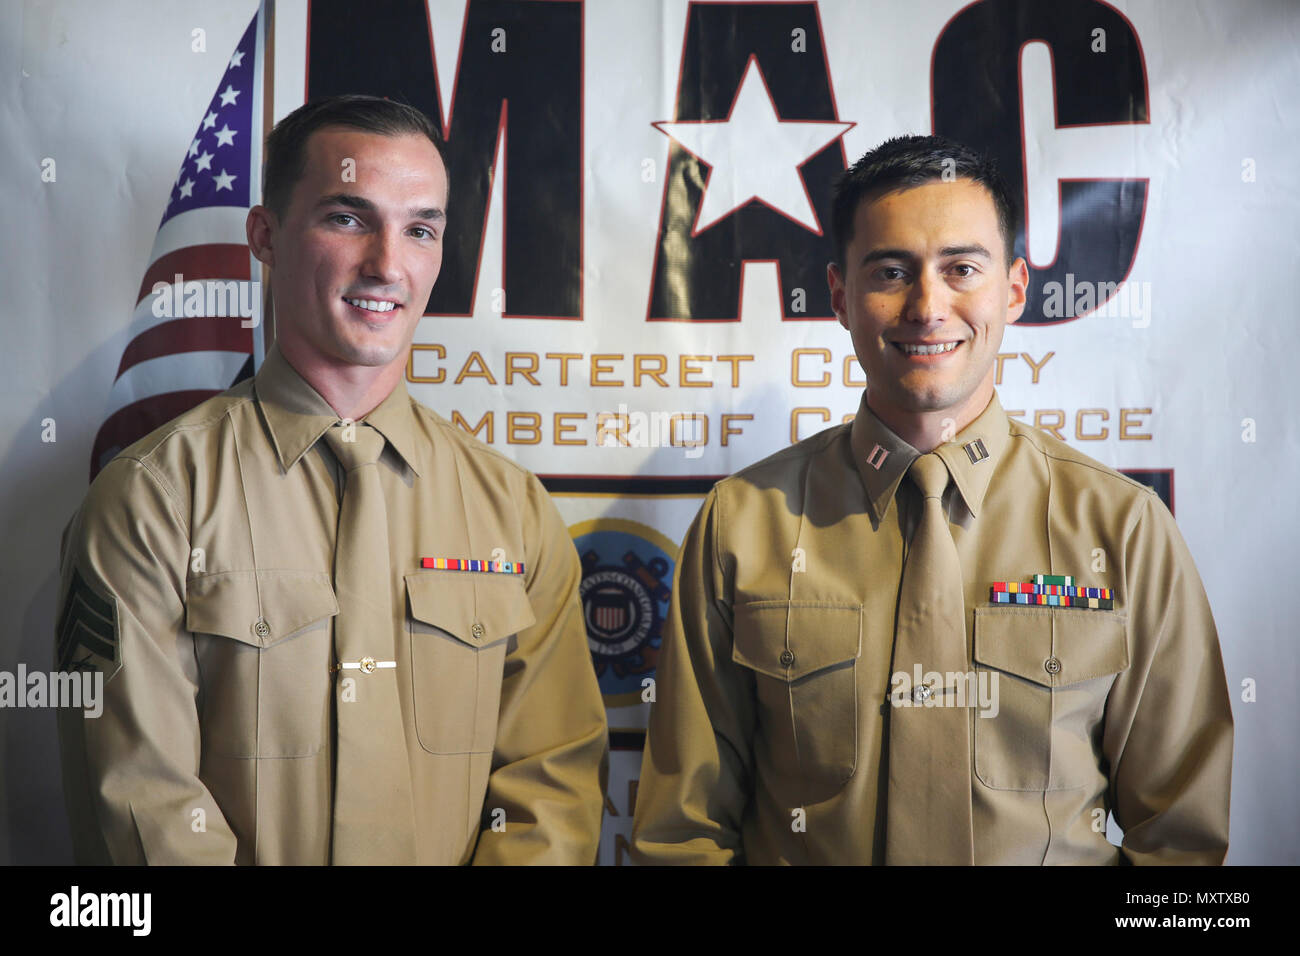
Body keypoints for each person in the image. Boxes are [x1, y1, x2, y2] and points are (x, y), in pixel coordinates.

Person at [631, 135, 1233, 865]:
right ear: (839, 296)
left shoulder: (1122, 529)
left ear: (1012, 289)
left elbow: (1182, 840)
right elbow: (682, 832)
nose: (927, 306)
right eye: (892, 271)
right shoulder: (743, 523)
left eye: (961, 269)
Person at [55, 94, 608, 865]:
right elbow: (144, 807)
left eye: (419, 229)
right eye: (348, 218)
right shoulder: (151, 501)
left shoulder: (512, 513)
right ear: (266, 236)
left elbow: (551, 788)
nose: (387, 263)